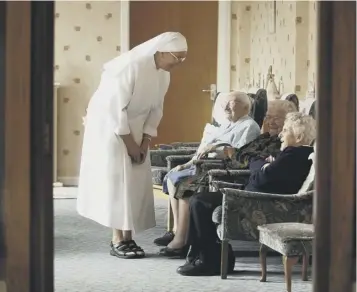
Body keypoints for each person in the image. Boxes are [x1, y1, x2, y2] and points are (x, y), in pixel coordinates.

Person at [77, 32, 188, 259]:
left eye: (183, 58)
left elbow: (156, 109)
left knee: (134, 182)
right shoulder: (131, 66)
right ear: (162, 51)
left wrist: (146, 140)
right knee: (119, 183)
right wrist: (130, 144)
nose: (180, 63)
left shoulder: (163, 74)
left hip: (136, 129)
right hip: (110, 128)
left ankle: (128, 237)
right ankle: (118, 238)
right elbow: (114, 109)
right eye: (177, 57)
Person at [177, 112, 316, 276]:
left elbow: (260, 178)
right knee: (201, 200)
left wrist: (261, 165)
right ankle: (212, 258)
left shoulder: (293, 154)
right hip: (254, 198)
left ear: (299, 136)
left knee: (200, 201)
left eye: (285, 130)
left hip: (257, 202)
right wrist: (263, 165)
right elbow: (262, 173)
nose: (280, 135)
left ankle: (209, 261)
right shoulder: (296, 154)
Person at [154, 99, 297, 249]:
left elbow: (252, 163)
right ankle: (179, 233)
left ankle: (181, 240)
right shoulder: (266, 137)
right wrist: (233, 153)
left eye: (276, 118)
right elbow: (243, 154)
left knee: (187, 186)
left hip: (240, 177)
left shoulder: (282, 144)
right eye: (268, 117)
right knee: (183, 182)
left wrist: (234, 154)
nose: (270, 121)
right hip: (230, 168)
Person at [154, 92, 261, 257]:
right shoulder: (226, 124)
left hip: (221, 169)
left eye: (231, 103)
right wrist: (188, 163)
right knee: (173, 177)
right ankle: (177, 230)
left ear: (245, 107)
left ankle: (182, 240)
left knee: (185, 184)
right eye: (224, 103)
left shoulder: (249, 126)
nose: (225, 107)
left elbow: (240, 154)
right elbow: (207, 145)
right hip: (204, 164)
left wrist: (214, 150)